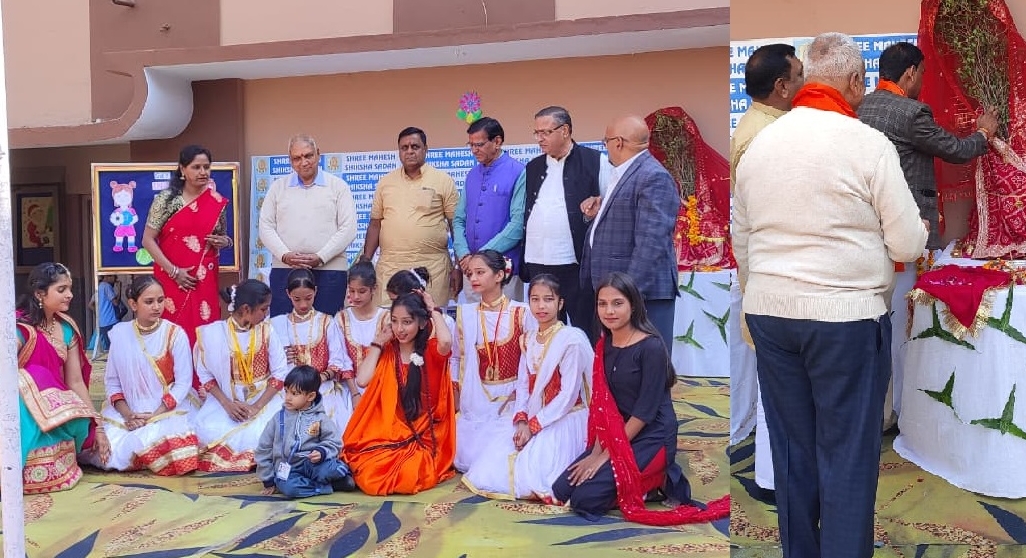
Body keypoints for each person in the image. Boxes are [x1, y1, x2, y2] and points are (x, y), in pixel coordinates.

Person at [734, 33, 929, 558]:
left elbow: (742, 240)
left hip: (772, 313)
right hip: (845, 317)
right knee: (847, 454)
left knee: (792, 450)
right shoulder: (866, 143)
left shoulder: (759, 144)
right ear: (855, 82)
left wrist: (764, 294)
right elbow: (907, 243)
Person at [553, 272, 728, 525]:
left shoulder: (651, 347)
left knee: (585, 499)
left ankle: (659, 478)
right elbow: (603, 407)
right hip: (618, 434)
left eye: (617, 303)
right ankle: (643, 479)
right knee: (562, 489)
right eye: (602, 304)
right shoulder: (605, 345)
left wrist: (604, 457)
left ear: (633, 305)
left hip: (652, 435)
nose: (609, 311)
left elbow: (644, 413)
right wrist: (596, 451)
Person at [728, 42, 804, 499]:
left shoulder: (769, 124)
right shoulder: (762, 135)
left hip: (771, 271)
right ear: (782, 86)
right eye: (799, 75)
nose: (805, 82)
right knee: (778, 384)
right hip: (768, 274)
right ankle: (774, 480)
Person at [462, 274, 592, 501]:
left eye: (548, 299)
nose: (541, 306)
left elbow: (568, 396)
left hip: (566, 417)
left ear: (560, 303)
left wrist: (534, 425)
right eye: (535, 299)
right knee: (493, 463)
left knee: (536, 473)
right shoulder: (528, 339)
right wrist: (522, 420)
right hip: (534, 414)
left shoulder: (571, 340)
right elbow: (523, 385)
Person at [858, 41, 996, 252]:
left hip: (870, 219)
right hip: (907, 218)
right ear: (911, 73)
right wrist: (984, 132)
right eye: (923, 73)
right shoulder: (912, 112)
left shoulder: (861, 106)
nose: (923, 81)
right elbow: (956, 150)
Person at [580, 115, 680, 347]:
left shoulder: (652, 176)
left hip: (640, 294)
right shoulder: (627, 172)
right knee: (619, 360)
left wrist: (628, 295)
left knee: (646, 360)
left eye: (605, 141)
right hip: (617, 293)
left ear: (618, 143)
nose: (605, 146)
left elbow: (651, 244)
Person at [342, 292, 456, 495]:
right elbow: (362, 380)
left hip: (421, 435)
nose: (399, 329)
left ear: (422, 323)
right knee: (369, 468)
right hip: (388, 430)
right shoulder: (387, 350)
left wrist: (433, 310)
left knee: (408, 473)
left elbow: (446, 342)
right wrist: (378, 342)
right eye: (394, 321)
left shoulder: (431, 351)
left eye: (407, 322)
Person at [85, 275, 200, 475]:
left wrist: (155, 415)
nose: (157, 307)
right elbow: (112, 382)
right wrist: (128, 415)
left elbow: (183, 383)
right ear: (133, 304)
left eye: (160, 300)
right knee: (108, 451)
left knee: (177, 449)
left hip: (167, 409)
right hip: (129, 411)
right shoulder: (120, 334)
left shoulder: (175, 334)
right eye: (149, 302)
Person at [15, 262, 110, 493]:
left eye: (70, 288)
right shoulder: (20, 327)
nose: (70, 295)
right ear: (40, 293)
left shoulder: (67, 328)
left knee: (83, 420)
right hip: (19, 407)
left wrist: (97, 425)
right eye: (61, 289)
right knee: (30, 375)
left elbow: (75, 381)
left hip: (55, 406)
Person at [142, 145, 233, 384]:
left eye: (206, 167)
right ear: (183, 169)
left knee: (204, 334)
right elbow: (148, 240)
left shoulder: (216, 201)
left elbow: (223, 237)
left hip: (204, 282)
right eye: (196, 167)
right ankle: (171, 387)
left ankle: (204, 387)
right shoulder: (166, 200)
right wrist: (174, 272)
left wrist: (224, 242)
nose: (203, 172)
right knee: (172, 333)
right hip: (171, 281)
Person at [521, 106, 611, 336]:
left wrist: (594, 208)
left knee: (584, 328)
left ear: (565, 130)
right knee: (546, 329)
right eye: (536, 133)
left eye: (545, 132)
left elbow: (611, 205)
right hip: (538, 260)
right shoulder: (533, 167)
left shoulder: (595, 161)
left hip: (575, 263)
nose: (539, 139)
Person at [193, 280, 289, 472]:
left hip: (264, 397)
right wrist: (227, 405)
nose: (266, 314)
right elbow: (205, 375)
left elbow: (280, 372)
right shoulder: (213, 333)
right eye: (263, 309)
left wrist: (256, 406)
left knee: (270, 432)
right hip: (227, 400)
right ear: (246, 309)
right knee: (208, 431)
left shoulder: (267, 330)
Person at [453, 249, 535, 471]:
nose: (473, 278)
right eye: (470, 274)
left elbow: (534, 361)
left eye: (480, 272)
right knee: (467, 456)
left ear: (499, 275)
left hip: (514, 399)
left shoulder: (522, 313)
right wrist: (457, 395)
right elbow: (455, 358)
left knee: (505, 455)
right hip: (476, 399)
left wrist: (521, 397)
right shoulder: (466, 314)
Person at [259, 134, 358, 317]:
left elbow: (348, 228)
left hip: (329, 271)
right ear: (290, 160)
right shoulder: (278, 188)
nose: (303, 162)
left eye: (308, 156)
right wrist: (285, 255)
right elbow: (265, 226)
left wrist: (321, 257)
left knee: (327, 327)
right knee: (284, 327)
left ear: (318, 154)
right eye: (297, 158)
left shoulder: (338, 187)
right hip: (285, 270)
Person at [360, 127, 459, 306]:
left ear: (425, 149)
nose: (409, 151)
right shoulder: (385, 183)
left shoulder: (443, 181)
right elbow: (375, 224)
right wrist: (365, 261)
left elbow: (455, 225)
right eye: (404, 148)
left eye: (415, 146)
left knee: (429, 317)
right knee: (391, 319)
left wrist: (458, 266)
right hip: (391, 267)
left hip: (432, 269)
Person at [269, 269, 357, 433]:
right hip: (290, 389)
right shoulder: (277, 324)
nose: (303, 305)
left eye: (308, 298)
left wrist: (318, 379)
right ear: (288, 294)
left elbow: (337, 360)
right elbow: (270, 363)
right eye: (297, 299)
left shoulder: (326, 321)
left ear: (316, 291)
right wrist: (281, 357)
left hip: (321, 387)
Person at [453, 117, 527, 302]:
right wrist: (464, 254)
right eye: (470, 145)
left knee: (505, 318)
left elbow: (517, 225)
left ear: (497, 141)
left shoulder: (518, 171)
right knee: (474, 318)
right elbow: (459, 219)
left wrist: (480, 257)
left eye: (479, 144)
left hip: (503, 269)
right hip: (471, 270)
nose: (474, 150)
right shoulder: (472, 175)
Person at [256, 365, 356, 498]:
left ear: (310, 396)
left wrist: (322, 452)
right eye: (286, 391)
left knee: (331, 469)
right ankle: (330, 486)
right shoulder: (278, 418)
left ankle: (337, 476)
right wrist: (268, 478)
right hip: (289, 468)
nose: (288, 397)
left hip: (314, 465)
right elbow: (264, 448)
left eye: (294, 394)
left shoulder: (320, 418)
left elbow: (335, 441)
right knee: (289, 488)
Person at [332, 262, 387, 396]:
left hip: (381, 386)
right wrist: (355, 394)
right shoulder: (341, 318)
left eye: (362, 291)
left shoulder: (386, 318)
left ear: (374, 289)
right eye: (352, 291)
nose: (356, 296)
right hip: (348, 388)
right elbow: (342, 359)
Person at [94, 274, 121, 355]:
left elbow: (91, 304)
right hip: (110, 320)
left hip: (102, 322)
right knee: (116, 347)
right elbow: (116, 303)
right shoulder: (107, 286)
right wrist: (119, 289)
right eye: (114, 276)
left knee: (109, 347)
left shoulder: (99, 287)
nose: (115, 279)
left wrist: (99, 313)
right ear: (107, 276)